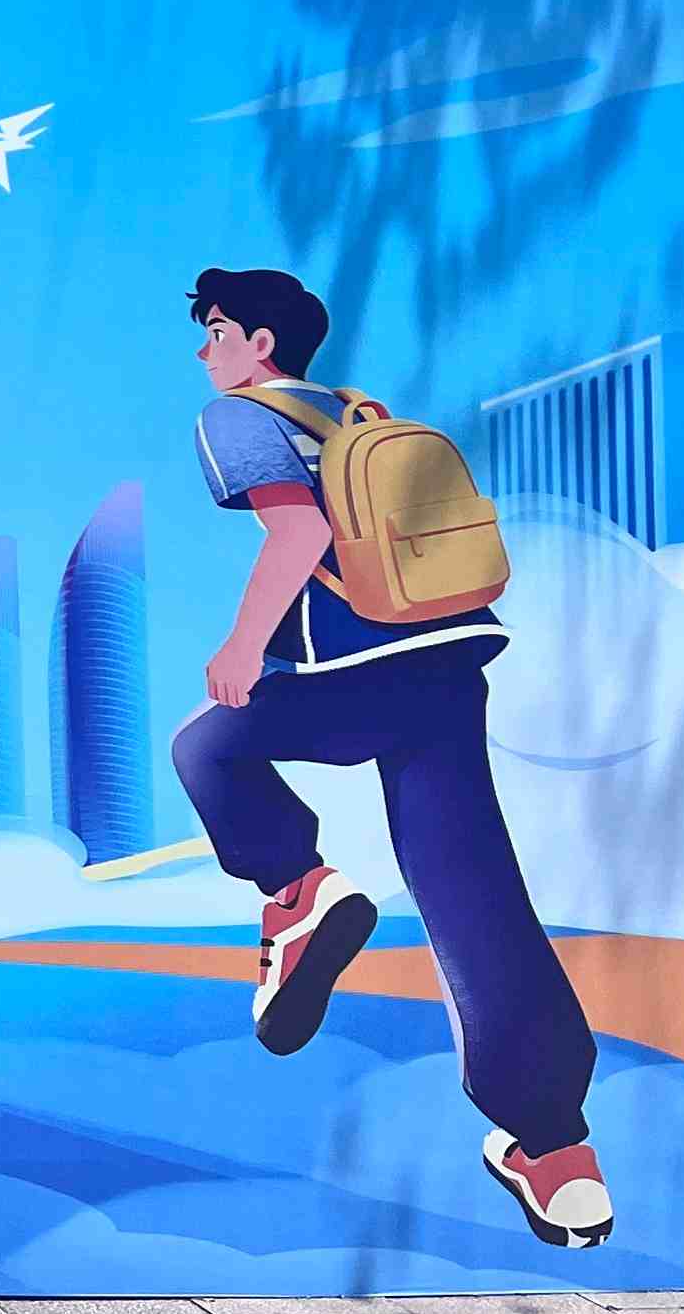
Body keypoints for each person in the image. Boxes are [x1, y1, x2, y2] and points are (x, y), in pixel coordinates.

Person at [165, 266, 608, 1248]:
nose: (205, 351)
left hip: (353, 671)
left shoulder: (241, 417)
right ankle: (555, 1150)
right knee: (475, 895)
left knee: (207, 749)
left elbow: (299, 531)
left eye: (218, 332)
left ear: (261, 344)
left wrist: (243, 647)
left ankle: (299, 891)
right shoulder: (356, 411)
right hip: (448, 661)